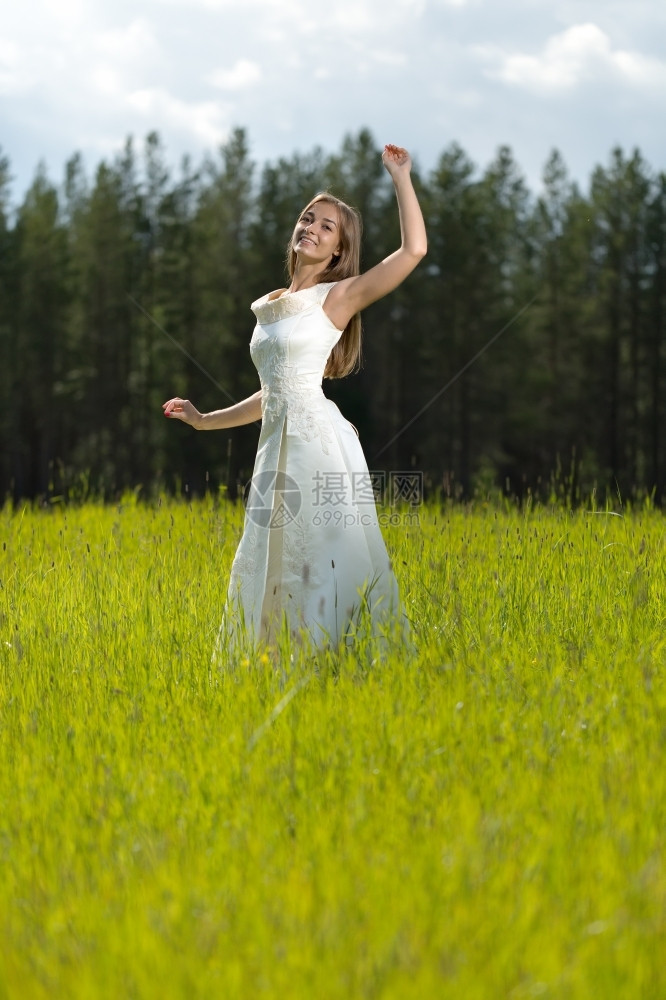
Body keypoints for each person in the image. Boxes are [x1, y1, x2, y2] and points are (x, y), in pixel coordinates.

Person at [163, 143, 427, 651]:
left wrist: (400, 177)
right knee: (273, 553)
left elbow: (413, 251)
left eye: (327, 226)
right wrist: (202, 419)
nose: (313, 227)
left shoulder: (338, 297)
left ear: (337, 252)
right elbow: (272, 393)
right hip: (275, 447)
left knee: (323, 556)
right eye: (309, 218)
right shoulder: (273, 305)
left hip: (315, 443)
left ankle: (336, 660)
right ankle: (280, 663)